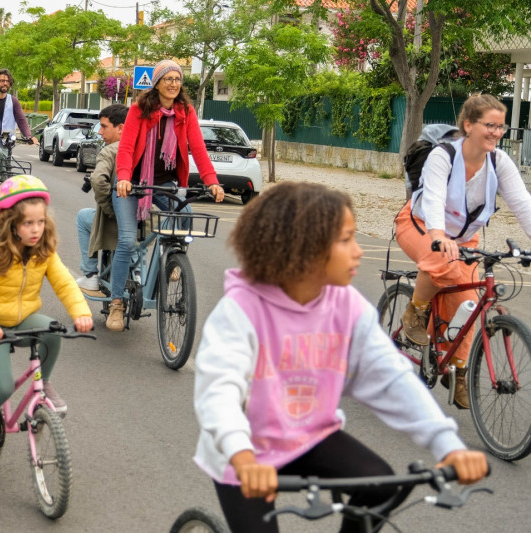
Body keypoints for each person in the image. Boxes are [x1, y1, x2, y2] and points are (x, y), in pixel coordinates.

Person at [194, 182, 489, 533]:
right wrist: (239, 453)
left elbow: (391, 377)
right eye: (346, 239)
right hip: (244, 447)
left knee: (380, 485)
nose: (359, 251)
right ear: (306, 248)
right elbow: (219, 390)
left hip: (310, 435)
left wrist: (447, 445)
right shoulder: (241, 310)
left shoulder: (346, 306)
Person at [396, 93, 531, 409]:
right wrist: (438, 234)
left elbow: (523, 203)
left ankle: (456, 370)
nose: (496, 132)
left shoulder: (499, 161)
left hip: (463, 240)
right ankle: (416, 310)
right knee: (442, 258)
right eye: (490, 125)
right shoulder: (444, 156)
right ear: (468, 125)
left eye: (500, 127)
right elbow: (431, 198)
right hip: (420, 225)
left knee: (469, 304)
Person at [0, 175, 93, 467]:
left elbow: (65, 284)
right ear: (11, 224)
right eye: (28, 223)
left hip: (23, 319)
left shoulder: (43, 251)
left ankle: (42, 383)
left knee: (52, 331)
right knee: (4, 386)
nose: (36, 230)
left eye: (40, 222)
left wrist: (81, 313)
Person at [110, 59, 225, 331]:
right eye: (168, 79)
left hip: (164, 185)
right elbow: (126, 148)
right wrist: (124, 177)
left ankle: (174, 258)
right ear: (157, 83)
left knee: (185, 214)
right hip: (134, 183)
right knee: (127, 241)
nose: (173, 84)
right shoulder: (140, 109)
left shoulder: (186, 112)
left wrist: (213, 182)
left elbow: (198, 149)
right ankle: (116, 303)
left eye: (177, 79)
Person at [75, 104, 127, 296]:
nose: (100, 131)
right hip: (143, 223)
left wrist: (108, 209)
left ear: (120, 128)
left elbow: (98, 180)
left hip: (115, 223)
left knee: (82, 217)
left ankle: (90, 274)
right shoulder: (144, 148)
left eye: (104, 126)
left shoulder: (109, 151)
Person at [0, 69, 37, 188]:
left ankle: (2, 191)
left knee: (5, 169)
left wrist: (29, 136)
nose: (5, 83)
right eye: (2, 81)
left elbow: (21, 120)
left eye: (7, 81)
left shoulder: (13, 101)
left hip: (6, 142)